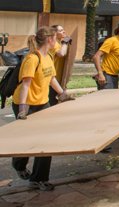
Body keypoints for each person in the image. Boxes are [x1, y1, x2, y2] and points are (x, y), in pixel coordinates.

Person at [11, 27, 73, 191]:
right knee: (27, 141)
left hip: (42, 103)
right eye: (56, 38)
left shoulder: (48, 57)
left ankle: (38, 178)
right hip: (25, 104)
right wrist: (23, 109)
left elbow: (51, 78)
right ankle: (19, 164)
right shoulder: (32, 58)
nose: (58, 41)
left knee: (46, 141)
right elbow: (26, 84)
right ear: (50, 40)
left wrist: (63, 94)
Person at [48, 24, 72, 106]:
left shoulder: (58, 43)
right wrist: (65, 42)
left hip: (57, 78)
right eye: (61, 30)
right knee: (51, 102)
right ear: (54, 33)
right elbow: (61, 54)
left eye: (63, 29)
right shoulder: (54, 44)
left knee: (54, 102)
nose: (64, 31)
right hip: (51, 79)